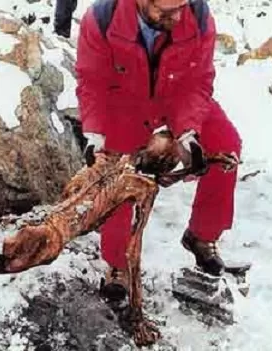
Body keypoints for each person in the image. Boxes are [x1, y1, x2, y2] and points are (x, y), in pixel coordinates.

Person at [75, 0, 241, 297]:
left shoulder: (199, 18)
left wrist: (188, 132)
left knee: (226, 144)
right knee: (118, 171)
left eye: (182, 6)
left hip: (178, 99)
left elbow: (198, 83)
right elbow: (92, 82)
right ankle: (117, 263)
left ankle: (202, 235)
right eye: (165, 11)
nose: (177, 17)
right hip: (125, 106)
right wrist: (95, 133)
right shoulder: (101, 19)